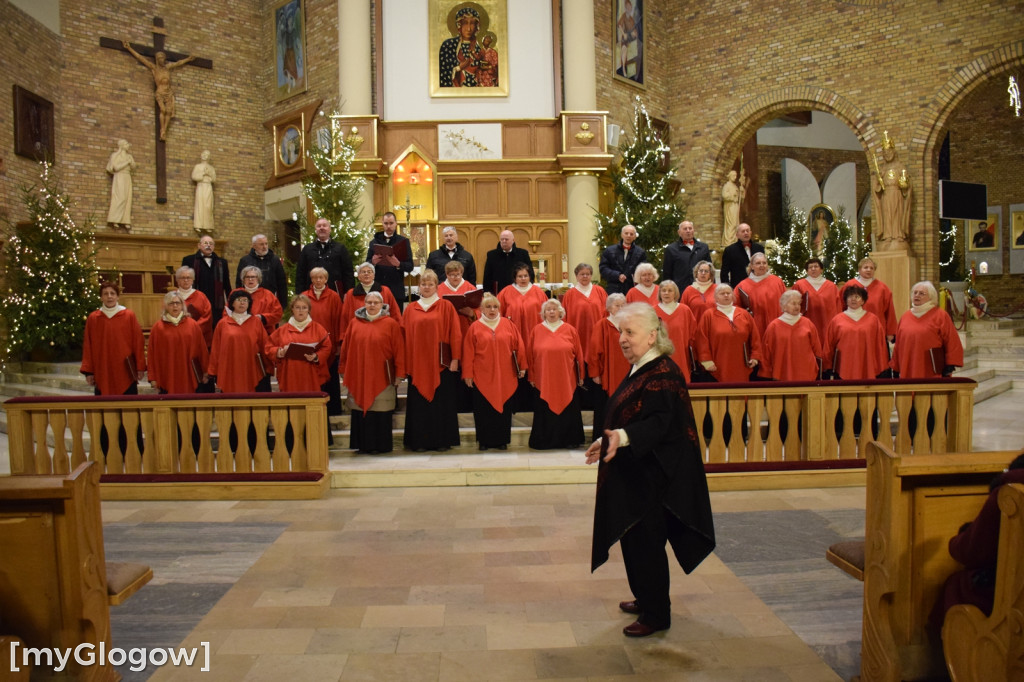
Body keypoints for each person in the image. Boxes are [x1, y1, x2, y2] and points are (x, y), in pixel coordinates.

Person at [586, 302, 715, 638]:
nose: (623, 340)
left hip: (655, 478)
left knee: (647, 544)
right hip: (637, 472)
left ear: (652, 335)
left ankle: (657, 613)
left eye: (630, 333)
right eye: (620, 333)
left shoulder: (663, 373)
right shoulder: (644, 367)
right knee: (635, 541)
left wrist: (624, 436)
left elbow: (660, 423)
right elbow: (633, 415)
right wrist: (610, 440)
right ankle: (646, 597)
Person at [931, 452, 1024, 632]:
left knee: (957, 586)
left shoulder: (1010, 493)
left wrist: (960, 537)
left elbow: (972, 551)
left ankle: (941, 658)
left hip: (1014, 596)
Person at [402, 270, 463, 452]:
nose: (426, 287)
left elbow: (456, 334)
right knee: (420, 406)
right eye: (423, 284)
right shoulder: (411, 309)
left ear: (437, 287)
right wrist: (405, 364)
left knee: (441, 404)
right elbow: (403, 338)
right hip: (418, 364)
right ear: (418, 287)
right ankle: (419, 441)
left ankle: (442, 440)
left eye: (430, 284)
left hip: (441, 364)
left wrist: (455, 359)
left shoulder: (446, 306)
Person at [338, 291, 405, 454]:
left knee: (380, 409)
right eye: (369, 302)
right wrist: (343, 369)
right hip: (359, 374)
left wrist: (400, 374)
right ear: (364, 304)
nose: (372, 305)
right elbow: (346, 349)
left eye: (376, 302)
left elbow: (399, 350)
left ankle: (381, 445)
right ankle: (362, 444)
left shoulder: (391, 324)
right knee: (360, 410)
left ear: (382, 305)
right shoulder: (354, 323)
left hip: (383, 374)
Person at [462, 293, 527, 450]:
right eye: (488, 307)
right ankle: (484, 441)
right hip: (482, 374)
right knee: (483, 410)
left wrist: (522, 366)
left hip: (506, 374)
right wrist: (468, 374)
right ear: (482, 309)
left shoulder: (508, 324)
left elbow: (520, 347)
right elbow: (468, 352)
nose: (492, 309)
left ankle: (502, 440)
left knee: (504, 409)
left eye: (495, 306)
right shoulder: (475, 327)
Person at [527, 299, 585, 450]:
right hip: (543, 379)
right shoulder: (536, 330)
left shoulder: (570, 330)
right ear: (543, 313)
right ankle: (544, 441)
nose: (551, 312)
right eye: (548, 309)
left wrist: (581, 376)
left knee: (568, 409)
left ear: (561, 312)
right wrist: (531, 376)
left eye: (554, 309)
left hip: (567, 379)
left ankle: (570, 440)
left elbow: (579, 355)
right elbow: (530, 357)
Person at [80, 282, 146, 395]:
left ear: (117, 296)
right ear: (101, 297)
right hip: (102, 368)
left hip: (125, 370)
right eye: (105, 294)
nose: (109, 296)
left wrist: (140, 366)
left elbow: (138, 342)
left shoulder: (128, 315)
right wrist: (89, 371)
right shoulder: (94, 318)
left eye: (112, 293)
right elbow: (88, 345)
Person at [121, 41, 196, 140]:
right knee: (163, 110)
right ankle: (162, 129)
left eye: (163, 58)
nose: (162, 60)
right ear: (157, 59)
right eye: (160, 59)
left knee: (169, 111)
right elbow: (141, 58)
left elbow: (178, 63)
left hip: (168, 92)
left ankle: (164, 129)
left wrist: (188, 59)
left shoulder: (167, 68)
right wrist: (129, 48)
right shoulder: (155, 68)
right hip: (160, 92)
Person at [890, 281, 964, 379]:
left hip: (931, 369)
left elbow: (951, 340)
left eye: (921, 293)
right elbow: (898, 344)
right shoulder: (905, 316)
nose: (917, 295)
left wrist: (950, 365)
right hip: (907, 367)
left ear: (931, 297)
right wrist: (896, 367)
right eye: (915, 293)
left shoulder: (940, 315)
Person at [207, 290, 272, 393]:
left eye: (245, 300)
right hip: (230, 368)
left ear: (249, 304)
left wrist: (269, 367)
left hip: (251, 367)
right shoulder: (223, 323)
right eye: (239, 300)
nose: (242, 303)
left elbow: (264, 345)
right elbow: (216, 349)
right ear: (232, 303)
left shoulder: (256, 322)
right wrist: (212, 370)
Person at [695, 284, 763, 382]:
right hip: (717, 364)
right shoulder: (708, 315)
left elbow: (755, 337)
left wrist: (755, 357)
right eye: (722, 293)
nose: (726, 295)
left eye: (728, 293)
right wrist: (706, 361)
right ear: (715, 297)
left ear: (733, 296)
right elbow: (702, 340)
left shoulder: (744, 314)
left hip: (742, 364)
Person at [587, 293, 631, 441]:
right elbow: (594, 351)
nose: (620, 308)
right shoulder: (601, 325)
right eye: (617, 305)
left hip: (628, 371)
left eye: (623, 305)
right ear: (609, 308)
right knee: (604, 407)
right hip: (607, 374)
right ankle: (603, 439)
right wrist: (595, 373)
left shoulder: (631, 325)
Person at [266, 295, 332, 392]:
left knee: (312, 404)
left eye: (304, 307)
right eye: (297, 307)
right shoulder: (282, 330)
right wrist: (280, 352)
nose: (301, 310)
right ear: (292, 309)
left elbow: (327, 347)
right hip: (289, 375)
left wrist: (316, 356)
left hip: (311, 374)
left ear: (308, 310)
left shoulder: (318, 329)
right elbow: (268, 347)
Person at [147, 291, 209, 394]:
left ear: (182, 305)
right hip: (167, 373)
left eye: (178, 303)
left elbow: (201, 349)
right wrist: (153, 377)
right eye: (171, 303)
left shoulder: (192, 325)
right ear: (166, 306)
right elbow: (152, 354)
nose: (175, 306)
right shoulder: (158, 328)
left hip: (189, 373)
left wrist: (205, 371)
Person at [822, 285, 888, 380]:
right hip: (843, 367)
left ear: (863, 300)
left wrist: (882, 365)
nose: (853, 299)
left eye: (857, 296)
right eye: (850, 296)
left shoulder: (873, 320)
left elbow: (880, 345)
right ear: (846, 300)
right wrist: (827, 365)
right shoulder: (837, 320)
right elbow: (829, 345)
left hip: (867, 365)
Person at [303, 266, 344, 416]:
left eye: (321, 278)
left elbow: (339, 319)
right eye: (315, 278)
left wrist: (338, 343)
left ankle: (333, 409)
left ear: (326, 279)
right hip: (310, 344)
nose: (318, 280)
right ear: (311, 279)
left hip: (329, 343)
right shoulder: (304, 296)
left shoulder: (334, 296)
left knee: (331, 377)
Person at [760, 290, 823, 382]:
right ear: (784, 306)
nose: (797, 306)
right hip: (782, 371)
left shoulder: (808, 323)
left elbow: (817, 349)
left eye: (798, 303)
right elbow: (766, 352)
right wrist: (766, 373)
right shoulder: (774, 326)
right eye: (793, 303)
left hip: (805, 372)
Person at [561, 263, 608, 375]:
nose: (585, 276)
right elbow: (564, 317)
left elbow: (607, 312)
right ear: (576, 276)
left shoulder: (600, 291)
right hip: (578, 335)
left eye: (587, 274)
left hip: (597, 335)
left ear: (591, 276)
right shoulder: (569, 294)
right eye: (582, 274)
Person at [295, 217, 355, 298]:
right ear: (316, 230)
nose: (322, 228)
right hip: (311, 294)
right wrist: (299, 294)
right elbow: (300, 273)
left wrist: (348, 293)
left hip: (335, 293)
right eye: (319, 226)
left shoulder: (340, 248)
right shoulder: (307, 249)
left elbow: (348, 273)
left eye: (324, 225)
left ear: (330, 229)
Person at [182, 235, 231, 332]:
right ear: (199, 245)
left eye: (211, 244)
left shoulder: (222, 262)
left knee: (216, 328)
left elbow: (226, 283)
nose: (208, 245)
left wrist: (231, 301)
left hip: (216, 302)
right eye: (206, 243)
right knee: (198, 328)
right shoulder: (189, 260)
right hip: (197, 301)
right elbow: (184, 281)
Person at [340, 262, 403, 339]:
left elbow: (395, 312)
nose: (366, 274)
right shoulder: (351, 293)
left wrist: (399, 330)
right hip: (358, 334)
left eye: (369, 272)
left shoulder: (385, 291)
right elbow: (345, 316)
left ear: (374, 275)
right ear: (359, 277)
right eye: (363, 272)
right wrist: (344, 336)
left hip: (382, 333)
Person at [872, 131, 911, 248]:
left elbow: (907, 184)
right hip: (886, 195)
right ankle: (888, 235)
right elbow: (876, 187)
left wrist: (904, 185)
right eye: (884, 152)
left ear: (893, 152)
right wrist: (879, 181)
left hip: (897, 193)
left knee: (896, 213)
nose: (887, 154)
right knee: (887, 214)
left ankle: (898, 235)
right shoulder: (883, 168)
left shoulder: (900, 167)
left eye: (889, 151)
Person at [733, 252, 787, 337]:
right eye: (758, 263)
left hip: (776, 325)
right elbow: (735, 307)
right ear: (752, 266)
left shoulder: (777, 282)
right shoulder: (742, 285)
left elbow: (787, 302)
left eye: (764, 263)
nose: (762, 265)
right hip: (755, 326)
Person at [842, 257, 897, 340]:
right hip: (853, 328)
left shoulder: (883, 288)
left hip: (876, 329)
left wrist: (890, 332)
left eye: (872, 268)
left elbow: (890, 311)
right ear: (859, 270)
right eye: (865, 267)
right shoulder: (849, 285)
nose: (869, 270)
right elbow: (841, 307)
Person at [654, 281, 697, 382]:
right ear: (659, 293)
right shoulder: (652, 311)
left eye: (670, 290)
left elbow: (693, 335)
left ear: (675, 293)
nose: (666, 293)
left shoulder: (685, 310)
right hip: (659, 357)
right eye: (663, 290)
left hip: (681, 356)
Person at [369, 211, 414, 305]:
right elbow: (367, 264)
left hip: (396, 289)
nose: (388, 226)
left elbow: (410, 266)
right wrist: (372, 262)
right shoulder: (374, 242)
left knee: (396, 319)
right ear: (382, 224)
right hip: (378, 289)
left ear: (396, 223)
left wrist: (398, 264)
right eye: (386, 223)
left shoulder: (403, 241)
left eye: (391, 223)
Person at [791, 258, 841, 342]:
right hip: (807, 323)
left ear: (821, 269)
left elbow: (838, 305)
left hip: (827, 323)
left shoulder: (831, 286)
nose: (813, 269)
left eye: (816, 266)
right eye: (810, 267)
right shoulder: (799, 285)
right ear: (807, 271)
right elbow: (792, 303)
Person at [498, 262, 548, 345]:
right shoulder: (505, 292)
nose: (523, 279)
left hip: (535, 333)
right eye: (520, 276)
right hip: (512, 333)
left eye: (526, 276)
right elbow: (498, 313)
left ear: (530, 277)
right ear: (515, 278)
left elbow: (547, 314)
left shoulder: (539, 292)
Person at [236, 234, 289, 311]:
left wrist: (283, 303)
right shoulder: (245, 261)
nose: (265, 247)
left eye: (266, 244)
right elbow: (239, 282)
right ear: (254, 246)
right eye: (261, 244)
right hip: (250, 300)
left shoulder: (275, 260)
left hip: (270, 299)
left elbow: (281, 282)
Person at [439, 6, 485, 87]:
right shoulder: (448, 45)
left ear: (477, 26)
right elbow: (443, 73)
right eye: (465, 23)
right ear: (459, 25)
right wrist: (458, 68)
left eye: (472, 24)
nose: (469, 29)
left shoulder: (479, 47)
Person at [230, 266, 283, 336]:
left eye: (253, 277)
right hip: (238, 332)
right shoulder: (235, 293)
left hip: (262, 333)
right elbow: (226, 312)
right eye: (247, 277)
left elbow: (278, 314)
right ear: (243, 279)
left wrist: (262, 318)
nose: (250, 279)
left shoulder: (268, 295)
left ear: (258, 279)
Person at [662, 220, 711, 290]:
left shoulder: (703, 247)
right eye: (685, 229)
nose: (688, 231)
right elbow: (667, 274)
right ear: (679, 232)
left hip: (700, 288)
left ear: (693, 230)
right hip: (679, 289)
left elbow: (710, 269)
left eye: (690, 228)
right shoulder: (671, 249)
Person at [598, 224, 646, 296]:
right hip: (613, 289)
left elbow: (643, 270)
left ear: (635, 237)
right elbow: (603, 269)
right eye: (626, 233)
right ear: (622, 235)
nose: (628, 236)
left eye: (631, 234)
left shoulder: (640, 252)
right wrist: (617, 275)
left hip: (632, 290)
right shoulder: (609, 250)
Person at [483, 230, 534, 294]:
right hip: (498, 292)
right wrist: (488, 294)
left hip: (519, 292)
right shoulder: (492, 255)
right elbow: (487, 277)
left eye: (506, 239)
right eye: (502, 239)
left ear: (513, 240)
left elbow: (530, 273)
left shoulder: (523, 254)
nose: (504, 241)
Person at [174, 266, 213, 349]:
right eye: (182, 278)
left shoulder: (201, 296)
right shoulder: (172, 296)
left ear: (193, 280)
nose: (186, 280)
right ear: (177, 280)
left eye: (188, 277)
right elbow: (166, 314)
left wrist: (191, 328)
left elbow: (207, 317)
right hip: (176, 335)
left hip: (197, 336)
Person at [440, 260, 479, 339]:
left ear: (462, 274)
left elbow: (481, 309)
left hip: (466, 328)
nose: (455, 277)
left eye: (458, 274)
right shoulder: (439, 290)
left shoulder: (470, 288)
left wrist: (472, 314)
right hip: (446, 329)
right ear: (447, 275)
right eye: (452, 275)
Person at [720, 222, 764, 287]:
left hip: (758, 285)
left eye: (747, 231)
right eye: (743, 231)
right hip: (738, 287)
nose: (746, 233)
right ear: (737, 235)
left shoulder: (759, 248)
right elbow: (724, 273)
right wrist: (728, 289)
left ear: (751, 233)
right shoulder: (730, 250)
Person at [105, 139, 135, 229]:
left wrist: (132, 162)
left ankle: (125, 220)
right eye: (126, 144)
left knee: (127, 199)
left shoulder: (129, 156)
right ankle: (114, 219)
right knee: (120, 198)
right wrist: (127, 162)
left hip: (127, 177)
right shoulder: (115, 155)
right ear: (121, 145)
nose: (128, 145)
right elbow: (116, 167)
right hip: (119, 177)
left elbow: (133, 167)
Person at [191, 150, 216, 232]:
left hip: (208, 186)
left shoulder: (211, 168)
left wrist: (209, 174)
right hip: (201, 186)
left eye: (207, 155)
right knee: (200, 204)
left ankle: (208, 225)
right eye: (204, 154)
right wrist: (202, 174)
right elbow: (194, 176)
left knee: (208, 206)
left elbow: (214, 179)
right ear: (201, 155)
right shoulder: (197, 166)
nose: (205, 156)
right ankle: (198, 224)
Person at [721, 170, 741, 243]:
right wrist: (733, 196)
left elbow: (740, 197)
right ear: (729, 176)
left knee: (736, 223)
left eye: (736, 176)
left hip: (735, 205)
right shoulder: (727, 185)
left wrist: (740, 191)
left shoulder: (735, 186)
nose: (735, 177)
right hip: (730, 206)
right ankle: (729, 241)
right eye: (733, 176)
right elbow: (724, 195)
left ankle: (735, 240)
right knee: (731, 223)